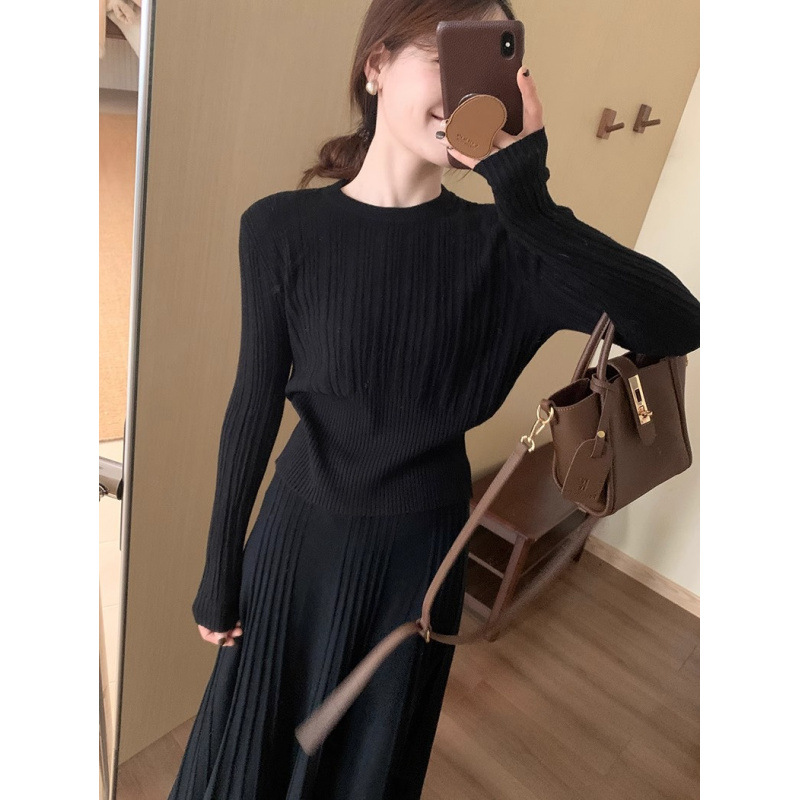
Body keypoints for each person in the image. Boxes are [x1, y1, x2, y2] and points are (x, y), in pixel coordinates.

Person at [168, 1, 701, 798]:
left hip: (418, 562)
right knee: (249, 759)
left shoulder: (509, 248)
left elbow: (679, 323)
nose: (464, 88)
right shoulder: (279, 229)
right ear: (375, 66)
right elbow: (253, 402)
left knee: (365, 769)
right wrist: (221, 567)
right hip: (295, 544)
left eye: (489, 61)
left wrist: (530, 202)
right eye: (442, 54)